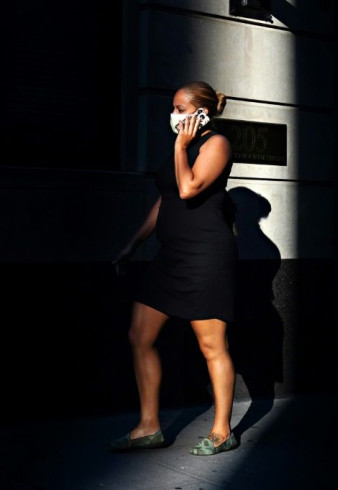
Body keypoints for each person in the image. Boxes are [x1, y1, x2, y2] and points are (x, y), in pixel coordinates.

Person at [108, 81, 238, 456]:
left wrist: (182, 146)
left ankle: (221, 430)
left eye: (181, 108)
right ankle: (149, 426)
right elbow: (165, 202)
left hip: (205, 258)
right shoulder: (179, 148)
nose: (175, 115)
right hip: (170, 258)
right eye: (174, 107)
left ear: (203, 111)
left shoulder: (216, 144)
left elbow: (188, 188)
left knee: (212, 345)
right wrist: (132, 245)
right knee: (139, 335)